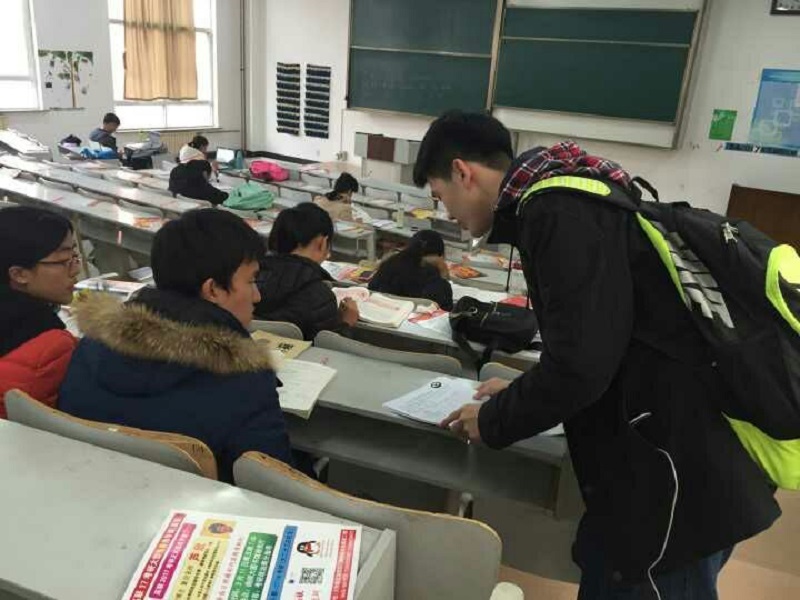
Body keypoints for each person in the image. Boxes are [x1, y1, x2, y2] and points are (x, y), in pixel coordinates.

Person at [413, 111, 779, 599]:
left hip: (672, 490)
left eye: (440, 196)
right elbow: (601, 346)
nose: (446, 213)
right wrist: (522, 390)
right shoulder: (575, 199)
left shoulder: (557, 211)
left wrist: (495, 419)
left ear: (463, 173)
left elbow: (580, 368)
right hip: (658, 471)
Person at [58, 209, 293, 482]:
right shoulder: (245, 380)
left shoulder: (91, 345)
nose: (257, 295)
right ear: (213, 289)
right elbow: (275, 481)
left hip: (88, 486)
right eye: (251, 281)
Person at [0, 207, 79, 419]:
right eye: (63, 261)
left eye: (75, 255)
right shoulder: (51, 347)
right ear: (19, 274)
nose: (76, 269)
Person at [255, 203, 359, 340]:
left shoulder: (250, 277)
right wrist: (346, 323)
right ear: (322, 242)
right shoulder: (319, 295)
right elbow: (327, 346)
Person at [368, 230, 453, 310]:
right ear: (439, 254)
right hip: (415, 319)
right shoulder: (435, 281)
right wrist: (443, 270)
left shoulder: (391, 263)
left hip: (382, 314)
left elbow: (371, 288)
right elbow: (446, 310)